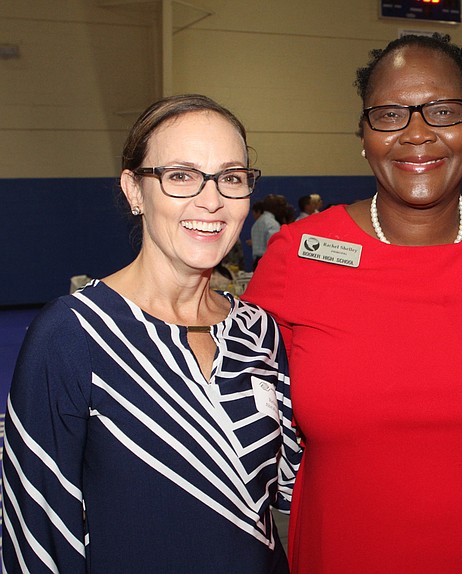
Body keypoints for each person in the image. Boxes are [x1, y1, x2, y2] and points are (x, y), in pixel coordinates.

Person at [243, 33, 462, 573]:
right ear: (364, 135)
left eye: (443, 111)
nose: (417, 133)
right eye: (390, 115)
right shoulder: (299, 254)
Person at [1, 94, 300, 573]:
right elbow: (35, 532)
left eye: (231, 177)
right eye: (180, 175)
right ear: (134, 191)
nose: (211, 200)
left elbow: (286, 489)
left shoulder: (258, 331)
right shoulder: (74, 334)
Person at [251, 196, 281, 268]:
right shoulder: (272, 223)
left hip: (256, 261)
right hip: (267, 261)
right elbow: (274, 247)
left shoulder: (258, 222)